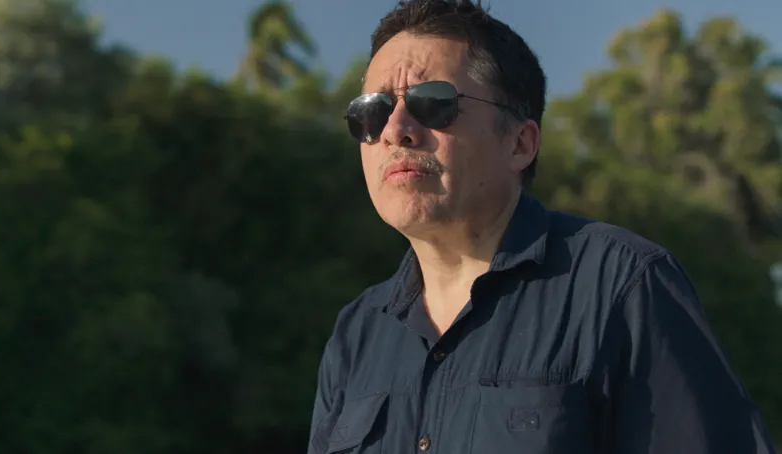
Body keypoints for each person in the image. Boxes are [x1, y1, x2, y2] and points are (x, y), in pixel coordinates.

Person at [307, 1, 777, 453]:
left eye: (432, 103)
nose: (395, 130)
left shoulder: (622, 287)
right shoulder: (357, 335)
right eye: (372, 112)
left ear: (520, 143)